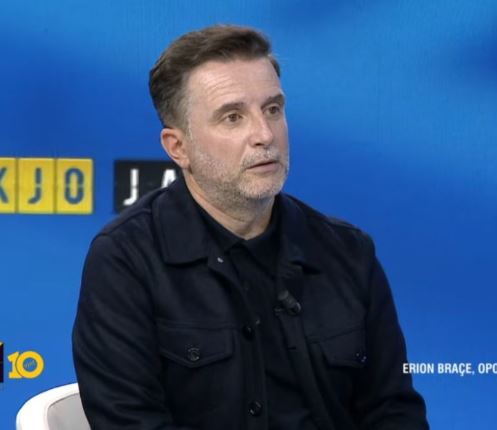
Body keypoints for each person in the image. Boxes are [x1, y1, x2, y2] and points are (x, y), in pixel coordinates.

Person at [72, 24, 428, 430]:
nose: (264, 134)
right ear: (178, 147)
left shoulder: (349, 253)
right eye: (233, 117)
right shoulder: (126, 261)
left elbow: (394, 413)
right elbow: (129, 422)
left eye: (273, 109)